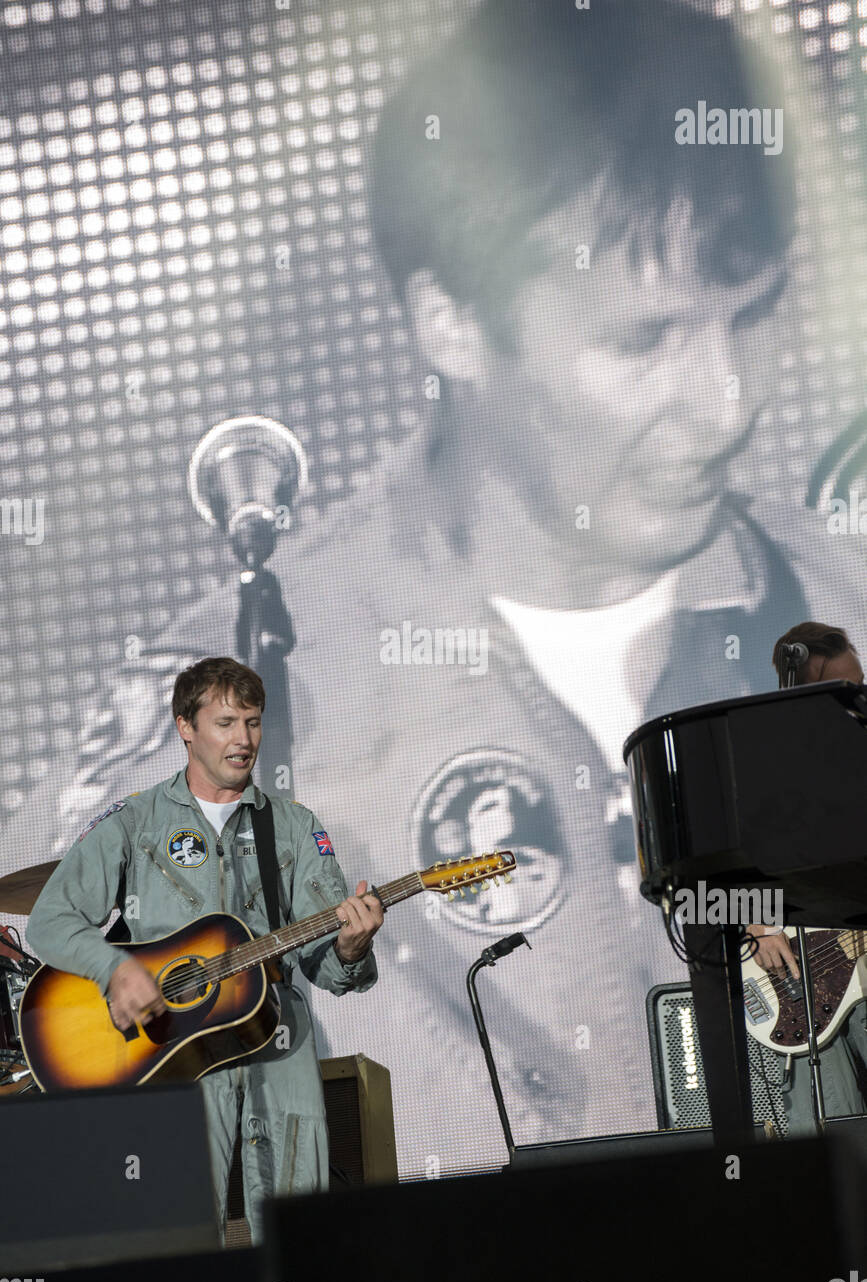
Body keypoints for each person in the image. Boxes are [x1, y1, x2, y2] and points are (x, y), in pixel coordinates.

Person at [18, 0, 867, 1174]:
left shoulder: (847, 600)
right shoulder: (240, 686)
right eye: (645, 338)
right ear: (450, 322)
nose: (727, 400)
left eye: (756, 313)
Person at [25, 657, 384, 1244]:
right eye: (225, 723)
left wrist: (350, 947)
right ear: (184, 727)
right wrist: (114, 969)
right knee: (180, 1240)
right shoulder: (135, 820)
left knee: (301, 1241)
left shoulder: (292, 826)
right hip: (170, 1049)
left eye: (253, 722)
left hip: (278, 1042)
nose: (244, 740)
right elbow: (49, 921)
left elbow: (328, 967)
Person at [746, 622, 867, 1135]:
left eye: (858, 687)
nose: (856, 702)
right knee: (832, 1136)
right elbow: (690, 894)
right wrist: (757, 925)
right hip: (803, 981)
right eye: (841, 692)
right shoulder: (756, 766)